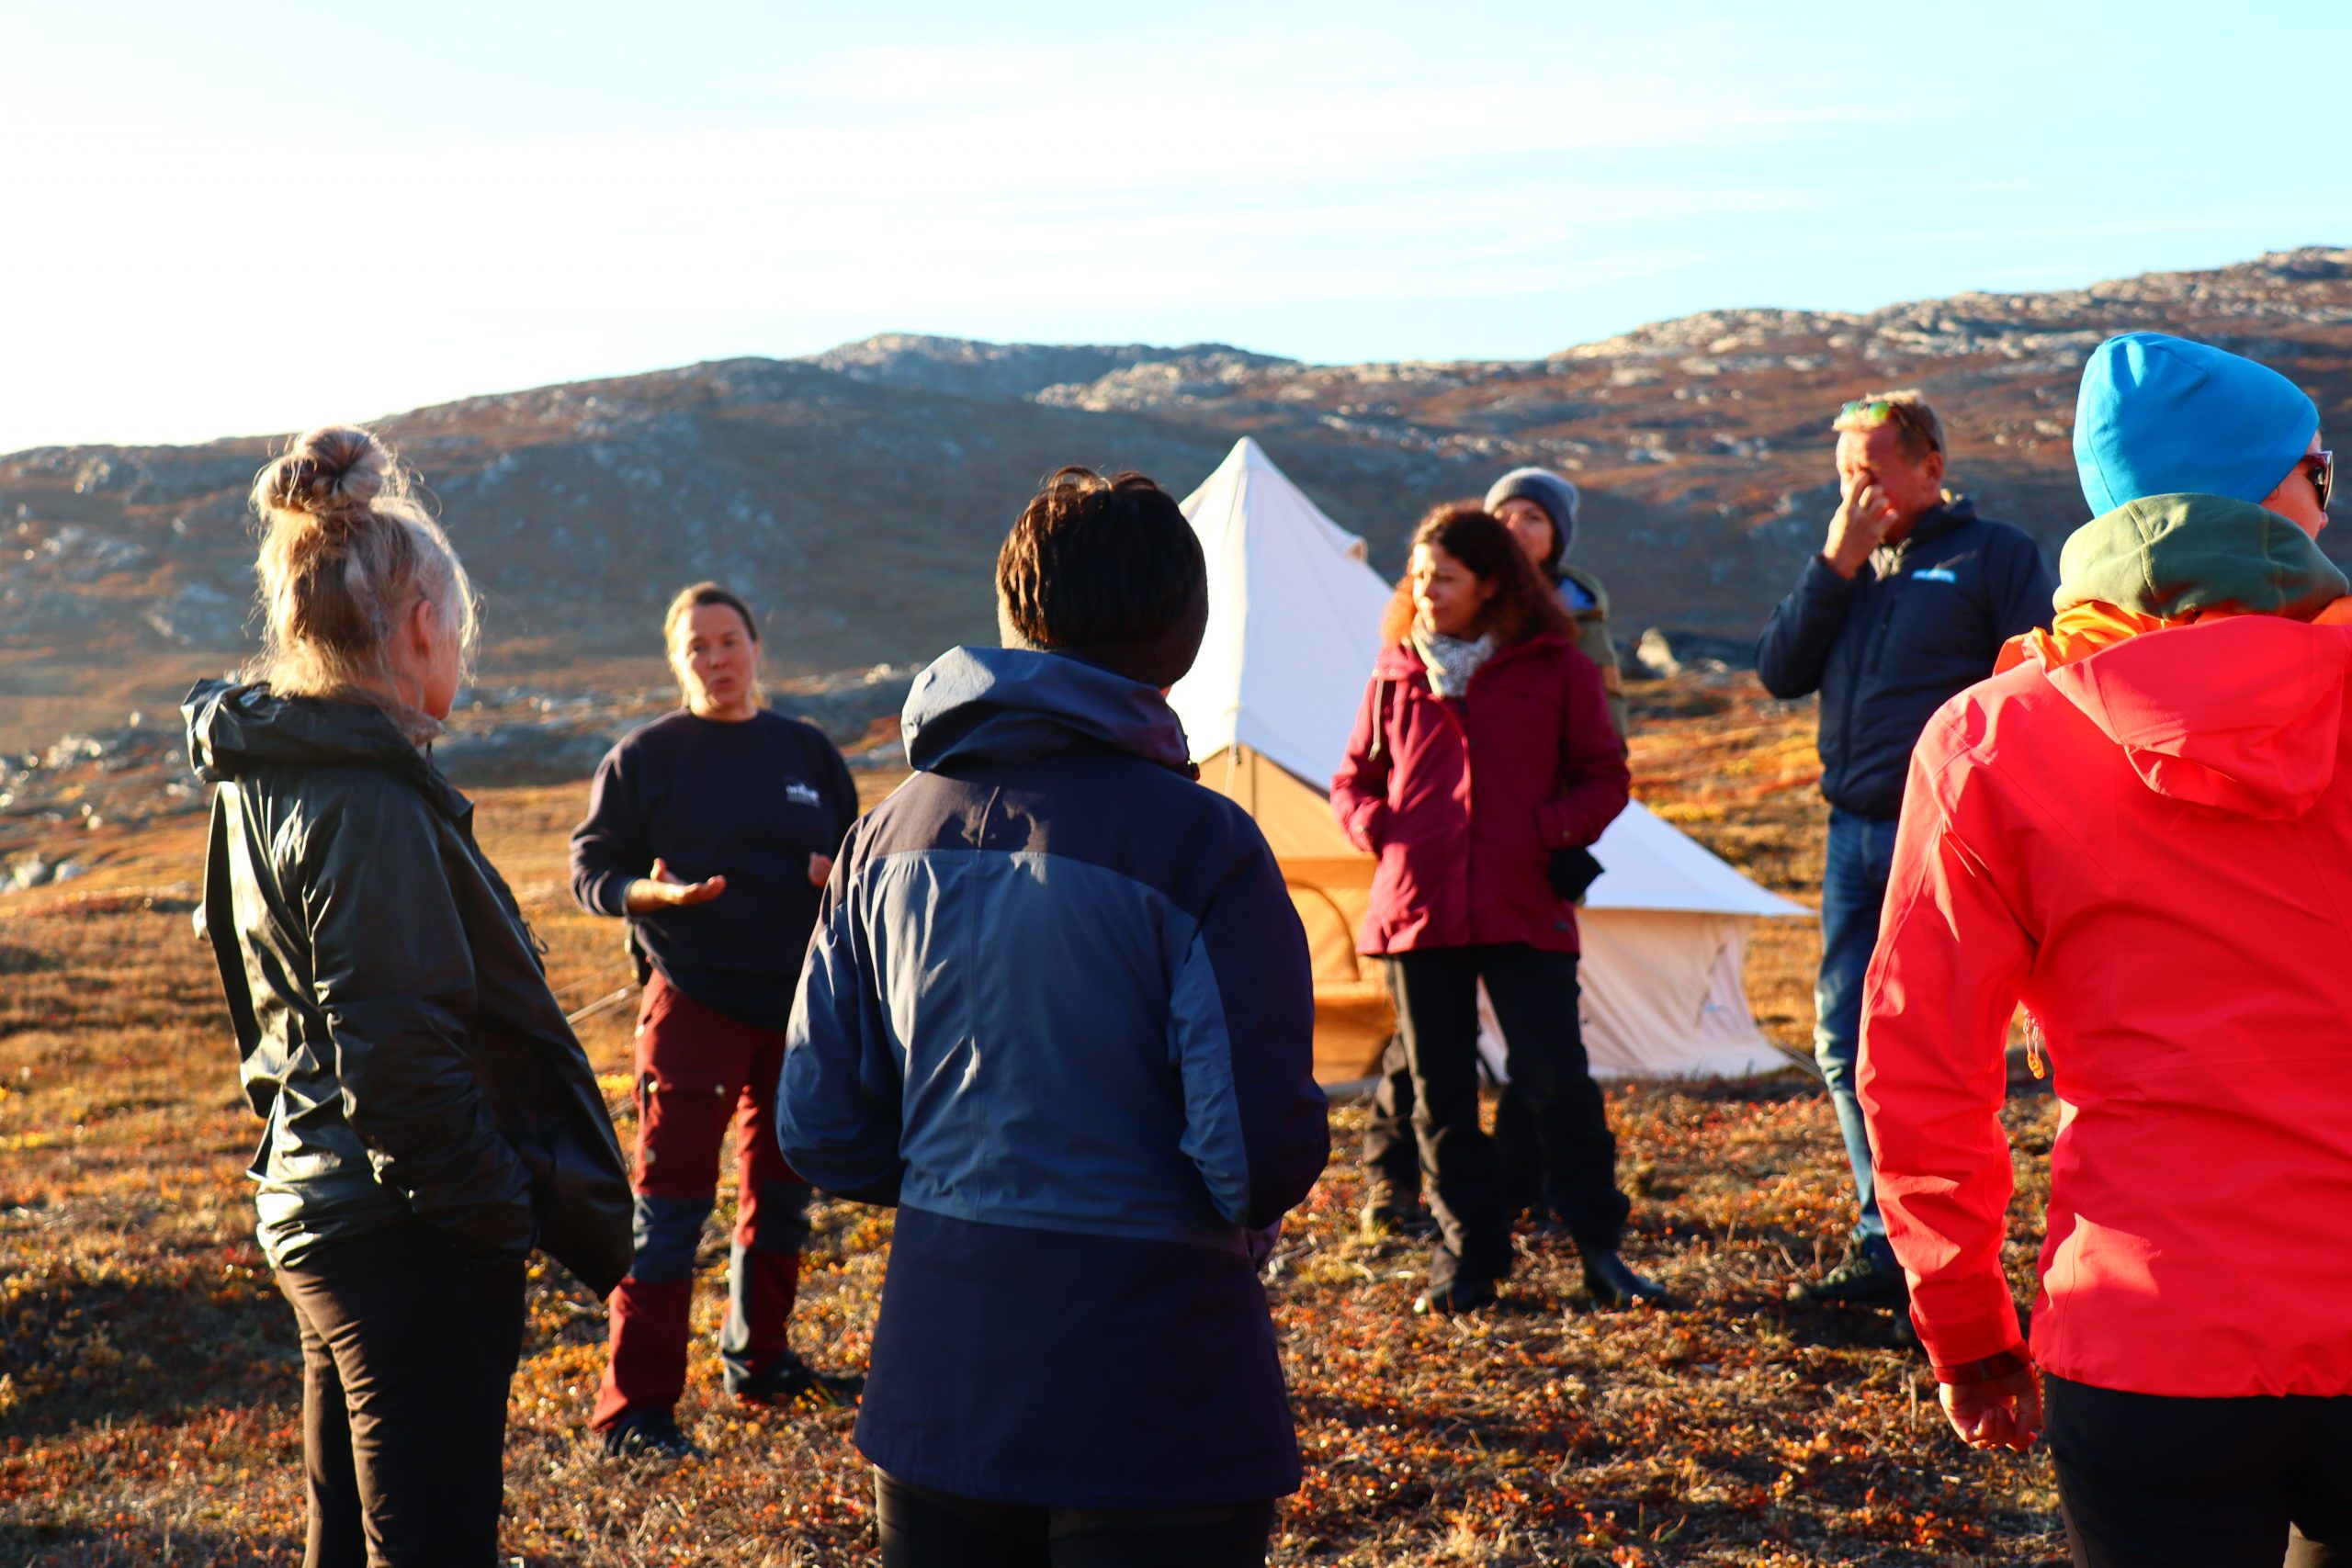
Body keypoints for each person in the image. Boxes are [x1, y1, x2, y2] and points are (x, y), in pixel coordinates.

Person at [778, 468, 1329, 1567]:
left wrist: (960, 1179)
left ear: (1012, 619)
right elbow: (1252, 1160)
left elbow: (821, 1127)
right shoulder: (1203, 846)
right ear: (1185, 634)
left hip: (937, 1375)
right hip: (1155, 1388)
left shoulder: (881, 838)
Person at [1861, 332, 2347, 1567]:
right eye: (2320, 470)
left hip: (2148, 1335)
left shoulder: (1988, 739)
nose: (2328, 497)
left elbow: (1922, 1067)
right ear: (2274, 493)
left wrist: (1966, 1325)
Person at [187, 426, 632, 1567]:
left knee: (348, 1534)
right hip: (404, 1236)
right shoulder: (368, 798)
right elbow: (396, 1057)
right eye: (459, 628)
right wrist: (496, 1218)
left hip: (316, 1203)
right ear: (423, 625)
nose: (460, 654)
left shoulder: (264, 771)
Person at [1754, 390, 2054, 1310]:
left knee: (1937, 1046)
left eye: (1870, 472)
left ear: (1930, 468)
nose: (1855, 493)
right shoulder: (1846, 568)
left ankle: (1953, 1245)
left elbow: (2035, 681)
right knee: (1843, 1039)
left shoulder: (1993, 554)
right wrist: (1833, 565)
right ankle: (1884, 1235)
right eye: (1843, 474)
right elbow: (1778, 670)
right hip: (1850, 833)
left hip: (1940, 834)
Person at [1331, 504, 1655, 1314]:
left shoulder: (1560, 668)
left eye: (1443, 576)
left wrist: (1543, 831)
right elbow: (1353, 781)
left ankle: (1599, 1251)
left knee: (1556, 1082)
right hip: (1419, 908)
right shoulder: (1393, 672)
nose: (1424, 590)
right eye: (1417, 575)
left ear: (1491, 583)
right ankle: (1466, 1258)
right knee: (1438, 1095)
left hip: (1524, 901)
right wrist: (1385, 831)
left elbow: (1604, 776)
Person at [571, 582, 865, 1459]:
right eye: (696, 645)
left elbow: (856, 858)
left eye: (728, 640)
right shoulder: (645, 757)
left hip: (799, 1010)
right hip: (693, 1003)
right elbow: (593, 869)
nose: (716, 658)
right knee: (670, 1210)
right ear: (677, 660)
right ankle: (634, 1412)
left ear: (756, 646)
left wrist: (838, 879)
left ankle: (760, 1361)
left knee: (783, 1195)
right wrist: (650, 894)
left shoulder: (807, 752)